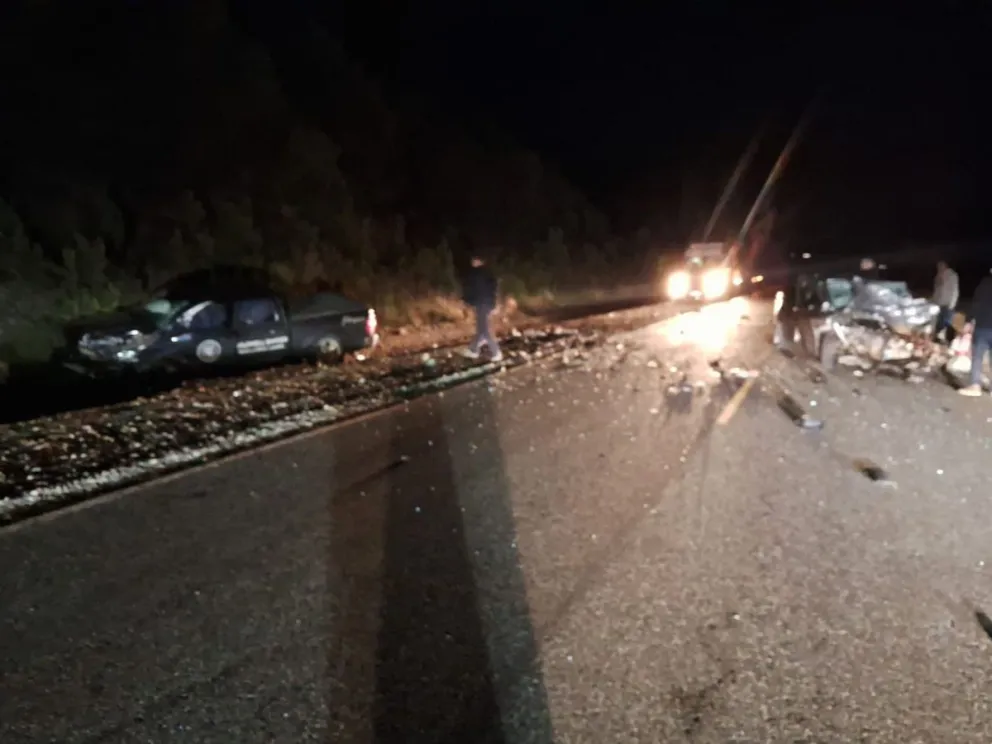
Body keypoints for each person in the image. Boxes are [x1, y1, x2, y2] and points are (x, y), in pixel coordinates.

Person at [459, 255, 502, 362]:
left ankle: (496, 352)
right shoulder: (488, 273)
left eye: (473, 260)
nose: (472, 262)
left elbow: (472, 290)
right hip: (487, 303)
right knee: (481, 329)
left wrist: (466, 301)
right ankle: (473, 350)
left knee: (485, 330)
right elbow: (494, 289)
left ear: (478, 261)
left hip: (481, 303)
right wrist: (493, 304)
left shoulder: (476, 274)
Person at [958, 269, 992, 396]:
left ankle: (975, 385)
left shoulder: (985, 284)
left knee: (977, 357)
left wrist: (968, 321)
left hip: (983, 326)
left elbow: (976, 304)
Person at [931, 260, 959, 340]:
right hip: (938, 304)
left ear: (945, 265)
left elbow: (955, 290)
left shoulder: (952, 275)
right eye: (938, 267)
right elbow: (936, 290)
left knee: (947, 324)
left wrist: (952, 304)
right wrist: (933, 301)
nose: (939, 268)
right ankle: (937, 340)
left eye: (941, 266)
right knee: (939, 324)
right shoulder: (938, 276)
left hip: (948, 304)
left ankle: (948, 340)